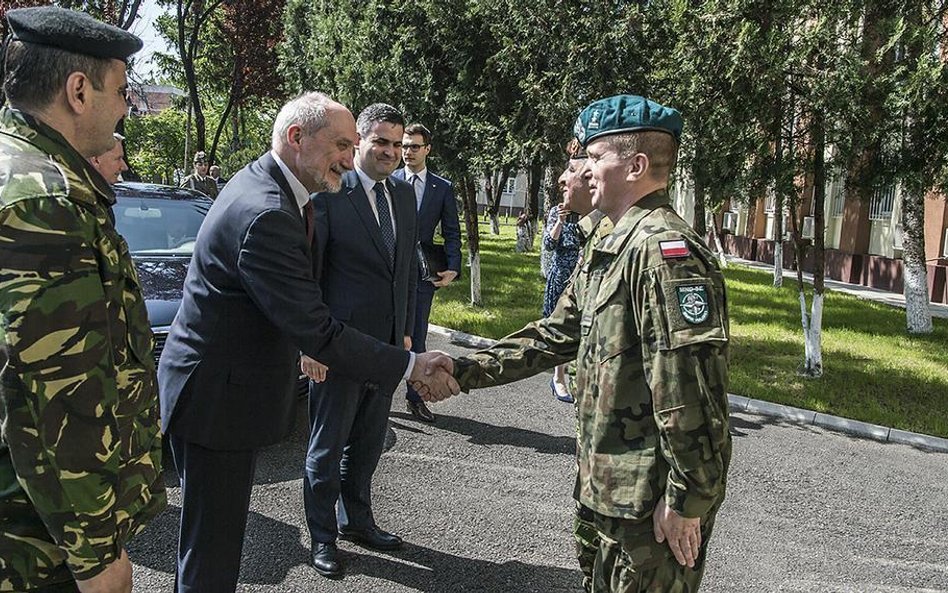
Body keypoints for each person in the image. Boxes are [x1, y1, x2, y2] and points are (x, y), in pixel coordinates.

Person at [157, 92, 458, 593]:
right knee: (210, 553)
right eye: (343, 144)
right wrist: (411, 365)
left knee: (213, 546)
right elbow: (316, 327)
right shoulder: (269, 210)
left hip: (219, 392)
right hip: (217, 402)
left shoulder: (271, 185)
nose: (350, 154)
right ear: (297, 138)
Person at [438, 95, 732, 592]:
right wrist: (462, 369)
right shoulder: (610, 242)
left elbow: (691, 394)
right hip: (605, 489)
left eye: (595, 158)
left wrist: (688, 502)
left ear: (637, 165)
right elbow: (557, 334)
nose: (584, 169)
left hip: (649, 506)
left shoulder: (665, 254)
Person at [0, 6, 166, 592]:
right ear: (77, 90)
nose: (126, 107)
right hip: (35, 544)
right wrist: (96, 554)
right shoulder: (43, 200)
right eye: (121, 91)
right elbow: (58, 395)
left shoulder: (16, 170)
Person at [300, 103, 416, 579]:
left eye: (398, 144)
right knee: (326, 450)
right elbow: (309, 274)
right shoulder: (329, 194)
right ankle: (322, 537)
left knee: (367, 444)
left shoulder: (404, 196)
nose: (390, 152)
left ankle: (358, 521)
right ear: (359, 143)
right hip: (337, 348)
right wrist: (309, 345)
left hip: (387, 346)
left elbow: (406, 270)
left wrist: (407, 331)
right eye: (381, 142)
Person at [393, 122, 462, 422]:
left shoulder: (441, 188)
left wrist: (453, 268)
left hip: (422, 274)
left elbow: (451, 232)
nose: (407, 152)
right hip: (386, 270)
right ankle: (373, 400)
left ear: (427, 150)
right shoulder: (389, 179)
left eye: (414, 147)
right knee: (380, 333)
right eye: (404, 146)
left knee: (417, 336)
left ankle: (415, 397)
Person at [542, 142, 590, 404]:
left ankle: (574, 375)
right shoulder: (556, 213)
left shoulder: (588, 215)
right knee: (559, 328)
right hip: (560, 273)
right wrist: (560, 220)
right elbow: (550, 244)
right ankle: (558, 377)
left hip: (580, 272)